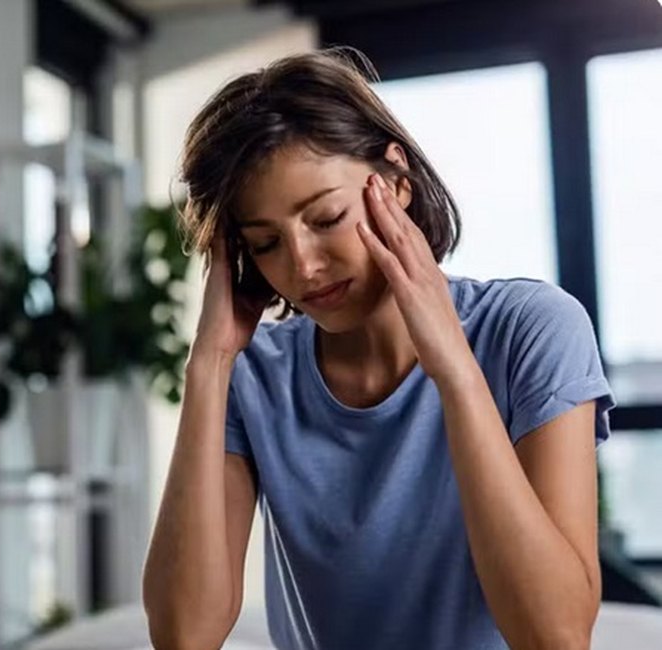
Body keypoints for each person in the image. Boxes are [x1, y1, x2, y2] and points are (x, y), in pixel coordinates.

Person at [142, 47, 615, 650]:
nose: (304, 267)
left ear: (395, 180)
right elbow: (185, 636)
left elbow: (556, 635)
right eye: (265, 244)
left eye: (327, 217)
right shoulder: (252, 377)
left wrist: (454, 369)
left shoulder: (533, 329)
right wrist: (208, 364)